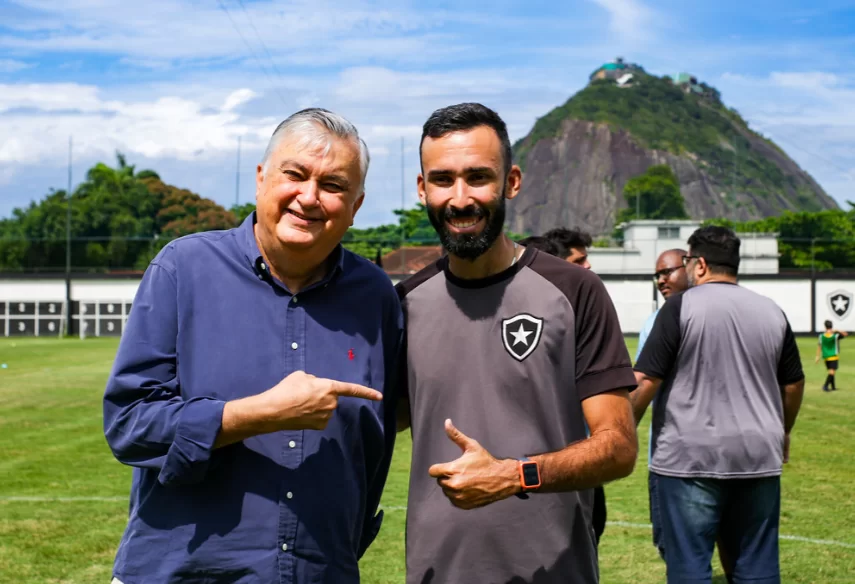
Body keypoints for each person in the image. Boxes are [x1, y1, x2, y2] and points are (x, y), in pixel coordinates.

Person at [102, 108, 404, 584]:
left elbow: (377, 441)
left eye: (333, 185)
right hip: (183, 572)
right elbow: (128, 424)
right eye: (295, 175)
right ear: (262, 179)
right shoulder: (184, 268)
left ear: (356, 205)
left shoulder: (375, 296)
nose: (309, 197)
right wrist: (259, 414)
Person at [397, 102, 638, 584]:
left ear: (511, 181)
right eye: (443, 179)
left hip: (555, 572)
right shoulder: (403, 304)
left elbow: (618, 446)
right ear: (423, 189)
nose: (460, 198)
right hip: (434, 572)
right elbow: (377, 426)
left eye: (478, 177)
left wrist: (514, 476)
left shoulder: (574, 290)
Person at [632, 226, 805, 584]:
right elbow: (793, 383)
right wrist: (783, 429)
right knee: (756, 570)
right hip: (758, 458)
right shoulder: (772, 311)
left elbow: (646, 380)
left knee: (690, 569)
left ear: (700, 265)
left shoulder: (680, 307)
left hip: (689, 462)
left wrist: (618, 430)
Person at [816, 319, 848, 391]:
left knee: (831, 371)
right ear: (831, 326)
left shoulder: (821, 336)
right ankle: (825, 386)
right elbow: (845, 334)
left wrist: (817, 356)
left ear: (825, 327)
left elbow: (819, 346)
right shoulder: (835, 336)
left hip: (826, 357)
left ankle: (833, 387)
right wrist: (837, 330)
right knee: (832, 372)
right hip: (833, 356)